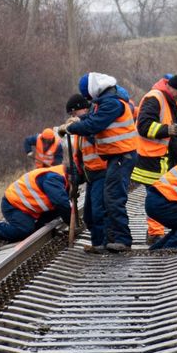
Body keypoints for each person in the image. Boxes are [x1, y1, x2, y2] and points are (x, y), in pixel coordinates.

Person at [59, 72, 138, 252]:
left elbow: (95, 124)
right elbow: (92, 118)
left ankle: (122, 240)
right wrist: (78, 121)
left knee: (113, 199)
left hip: (121, 156)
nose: (89, 100)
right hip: (116, 157)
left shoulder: (111, 102)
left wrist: (72, 127)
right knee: (110, 200)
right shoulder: (107, 101)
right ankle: (113, 240)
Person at [132, 73, 177, 244]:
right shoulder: (154, 98)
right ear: (172, 87)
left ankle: (159, 232)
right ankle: (155, 234)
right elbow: (144, 126)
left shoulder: (172, 100)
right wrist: (166, 130)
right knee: (157, 195)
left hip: (165, 158)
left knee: (165, 194)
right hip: (152, 159)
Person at [0, 165, 71, 250]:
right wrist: (70, 222)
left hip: (28, 206)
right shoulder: (53, 179)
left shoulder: (61, 176)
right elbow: (61, 203)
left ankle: (33, 228)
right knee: (25, 230)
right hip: (13, 205)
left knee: (55, 213)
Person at [64, 93, 109, 253]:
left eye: (73, 113)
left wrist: (80, 124)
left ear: (80, 109)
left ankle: (101, 244)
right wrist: (75, 181)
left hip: (103, 171)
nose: (72, 117)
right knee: (89, 215)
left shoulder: (94, 121)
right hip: (91, 174)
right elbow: (78, 157)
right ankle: (99, 241)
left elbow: (96, 138)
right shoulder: (81, 129)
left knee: (98, 211)